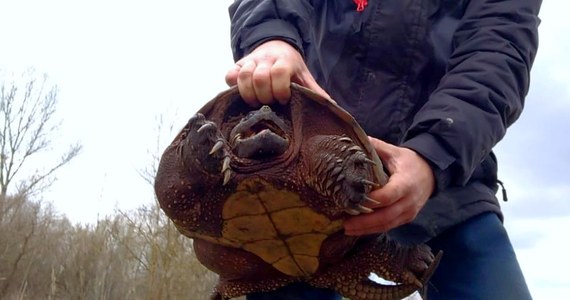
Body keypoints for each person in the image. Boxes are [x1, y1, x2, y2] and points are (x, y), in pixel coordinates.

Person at [224, 0, 542, 299]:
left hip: (449, 182)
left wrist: (435, 153)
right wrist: (272, 39)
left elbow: (499, 46)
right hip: (299, 177)